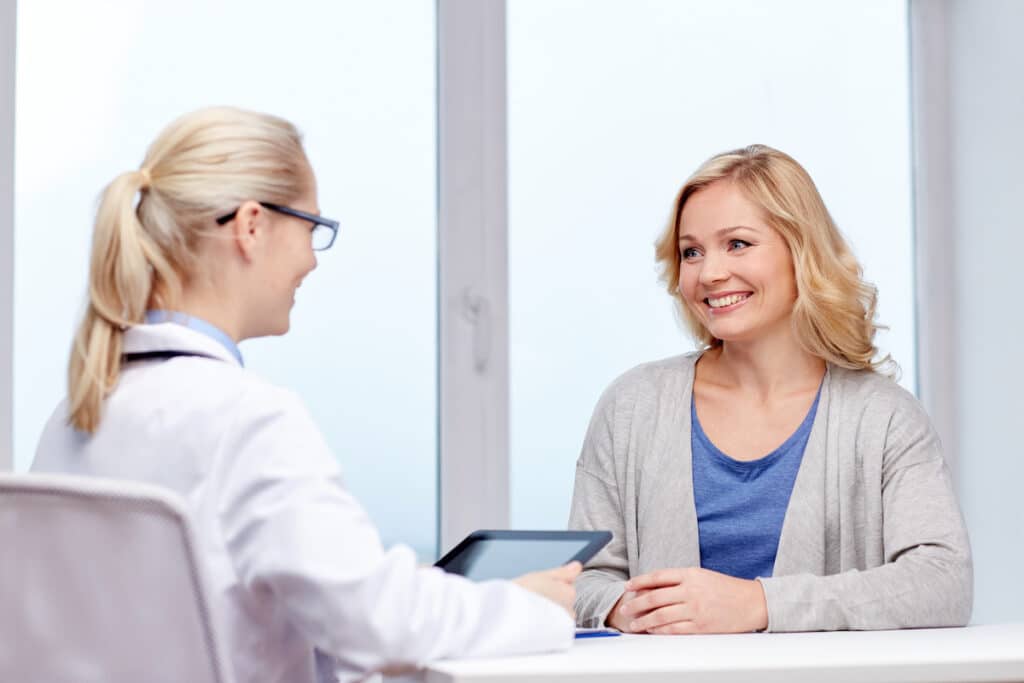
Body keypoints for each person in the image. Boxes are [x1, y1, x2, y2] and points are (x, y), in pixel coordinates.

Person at [31, 107, 579, 682]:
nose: (312, 261)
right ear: (250, 226)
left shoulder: (71, 418)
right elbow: (377, 623)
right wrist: (532, 607)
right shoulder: (245, 419)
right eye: (311, 229)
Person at [568, 144, 972, 634]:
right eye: (691, 251)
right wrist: (616, 607)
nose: (709, 273)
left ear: (801, 251)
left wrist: (759, 604)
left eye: (737, 243)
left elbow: (942, 584)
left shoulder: (884, 417)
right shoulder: (632, 406)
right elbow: (583, 580)